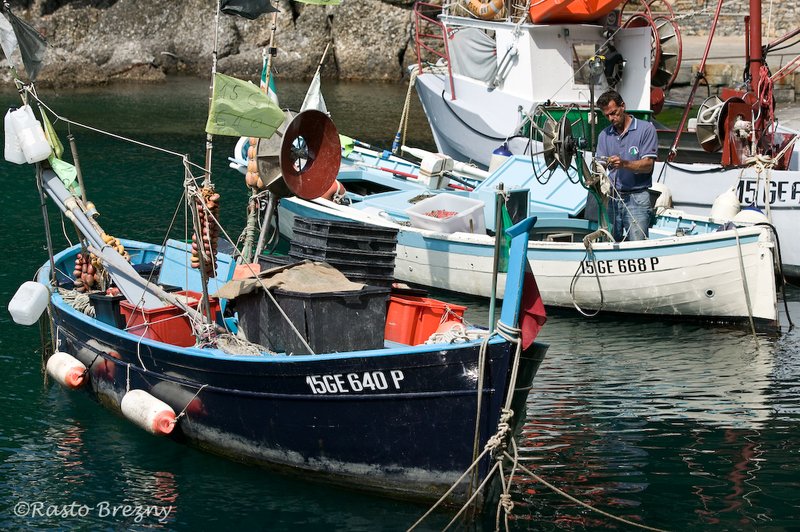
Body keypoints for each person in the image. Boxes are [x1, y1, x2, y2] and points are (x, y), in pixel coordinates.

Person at [595, 90, 658, 241]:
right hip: (611, 198)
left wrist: (624, 163)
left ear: (623, 106)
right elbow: (599, 166)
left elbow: (648, 165)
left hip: (637, 197)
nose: (611, 118)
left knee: (637, 245)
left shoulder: (646, 129)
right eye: (607, 115)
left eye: (614, 112)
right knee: (608, 242)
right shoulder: (604, 135)